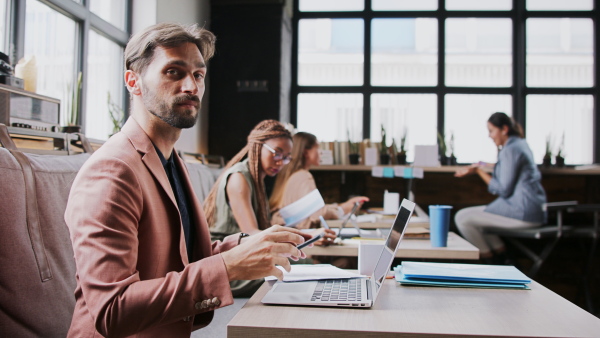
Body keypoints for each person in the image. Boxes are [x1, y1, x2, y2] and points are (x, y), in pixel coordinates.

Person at [64, 23, 311, 338]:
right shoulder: (112, 170)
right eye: (173, 72)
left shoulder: (170, 159)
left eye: (198, 75)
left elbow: (182, 255)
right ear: (133, 81)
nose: (192, 86)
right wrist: (227, 267)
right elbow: (113, 311)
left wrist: (251, 243)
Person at [204, 122, 336, 295]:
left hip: (244, 256)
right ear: (258, 147)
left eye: (287, 157)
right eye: (277, 153)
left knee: (311, 267)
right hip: (227, 264)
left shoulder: (256, 180)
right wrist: (304, 236)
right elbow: (251, 232)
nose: (280, 162)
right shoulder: (239, 178)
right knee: (311, 269)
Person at [454, 112, 547, 263]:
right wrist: (482, 164)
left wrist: (478, 171)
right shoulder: (519, 144)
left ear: (504, 129)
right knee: (478, 223)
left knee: (463, 218)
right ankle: (502, 260)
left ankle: (489, 264)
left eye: (491, 131)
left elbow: (503, 189)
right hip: (533, 209)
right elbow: (507, 167)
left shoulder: (510, 150)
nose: (489, 136)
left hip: (522, 212)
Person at [270, 132, 369, 230]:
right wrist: (342, 210)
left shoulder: (292, 175)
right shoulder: (303, 176)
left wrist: (341, 206)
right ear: (306, 152)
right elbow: (317, 213)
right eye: (317, 147)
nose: (321, 152)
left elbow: (310, 208)